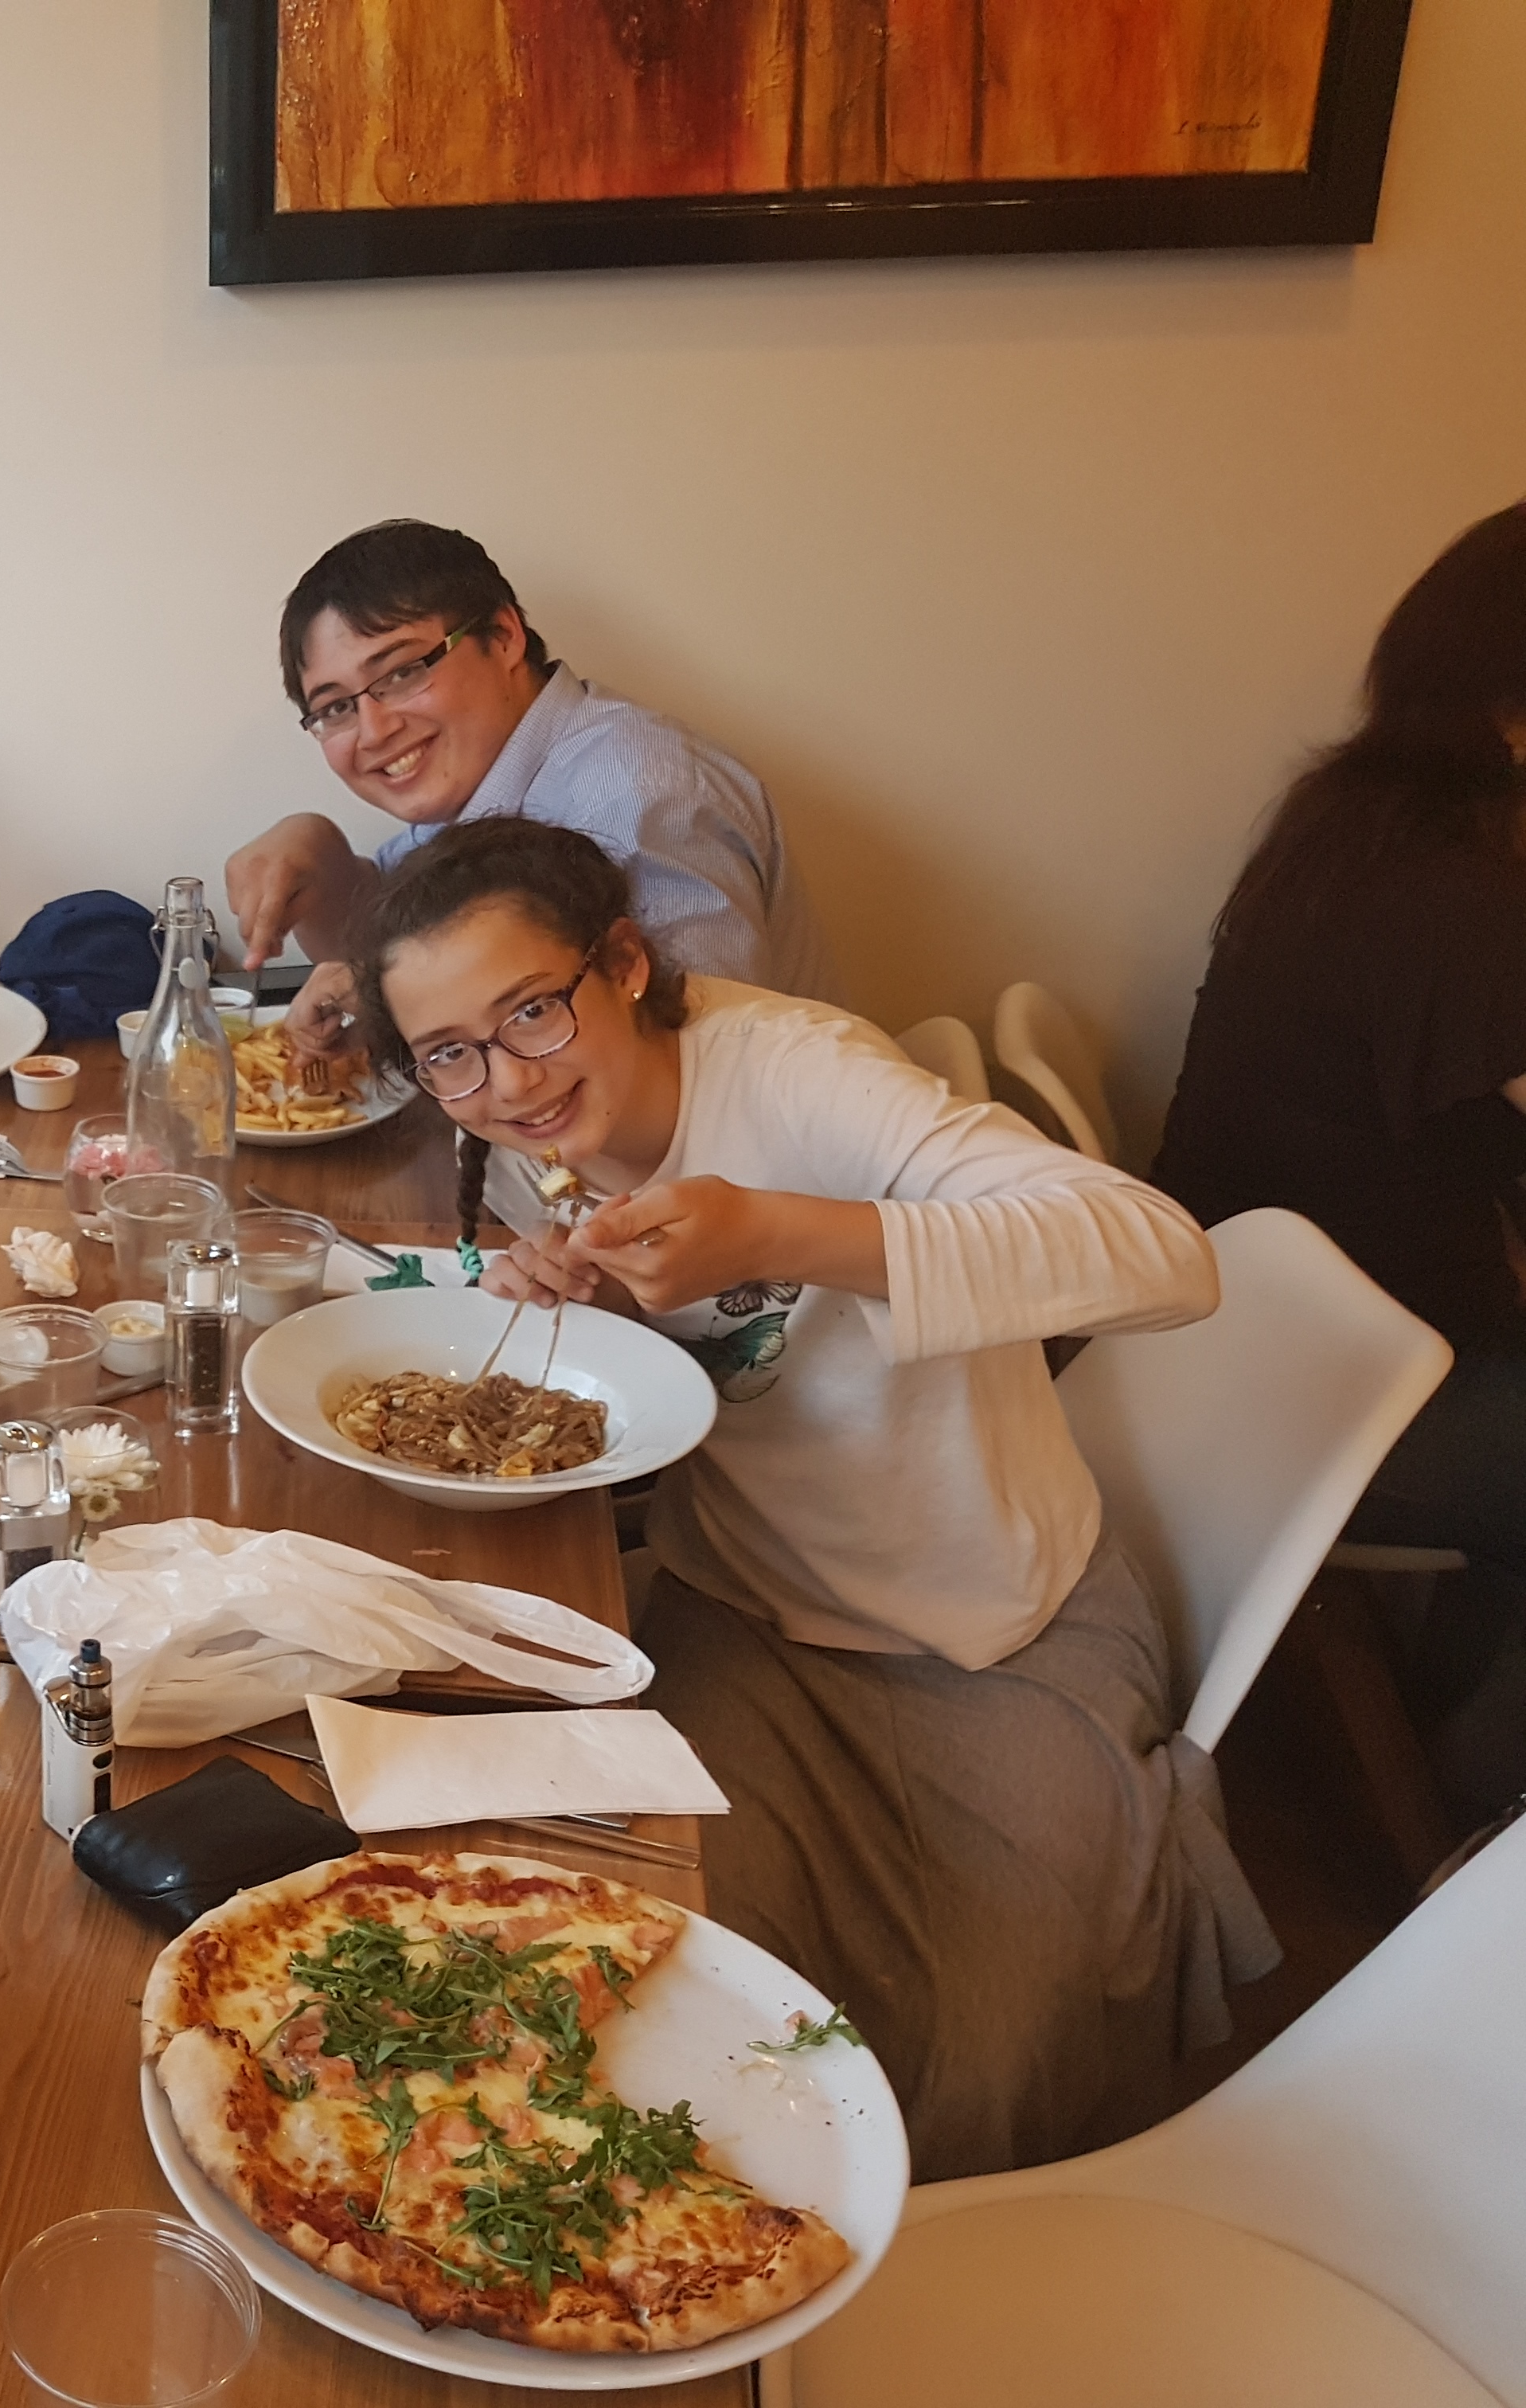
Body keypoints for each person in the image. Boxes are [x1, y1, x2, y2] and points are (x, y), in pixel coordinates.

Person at [355, 818, 1272, 2178]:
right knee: (646, 1998)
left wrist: (777, 1228)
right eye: (451, 1053)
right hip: (749, 1616)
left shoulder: (798, 1071)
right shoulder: (532, 1140)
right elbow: (687, 1373)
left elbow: (1163, 1253)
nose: (508, 1079)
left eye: (533, 1010)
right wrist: (592, 1305)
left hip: (985, 1630)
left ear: (624, 962)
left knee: (985, 2068)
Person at [1154, 501, 1526, 1822]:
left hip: (1232, 1348)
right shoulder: (1461, 903)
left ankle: (1456, 1742)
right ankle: (1484, 1831)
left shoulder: (1350, 824)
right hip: (1312, 1396)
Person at [227, 518, 834, 1065]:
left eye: (404, 672)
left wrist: (392, 993)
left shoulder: (641, 797)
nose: (374, 730)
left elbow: (701, 1063)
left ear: (504, 636)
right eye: (336, 707)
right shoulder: (477, 783)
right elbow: (384, 941)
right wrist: (316, 851)